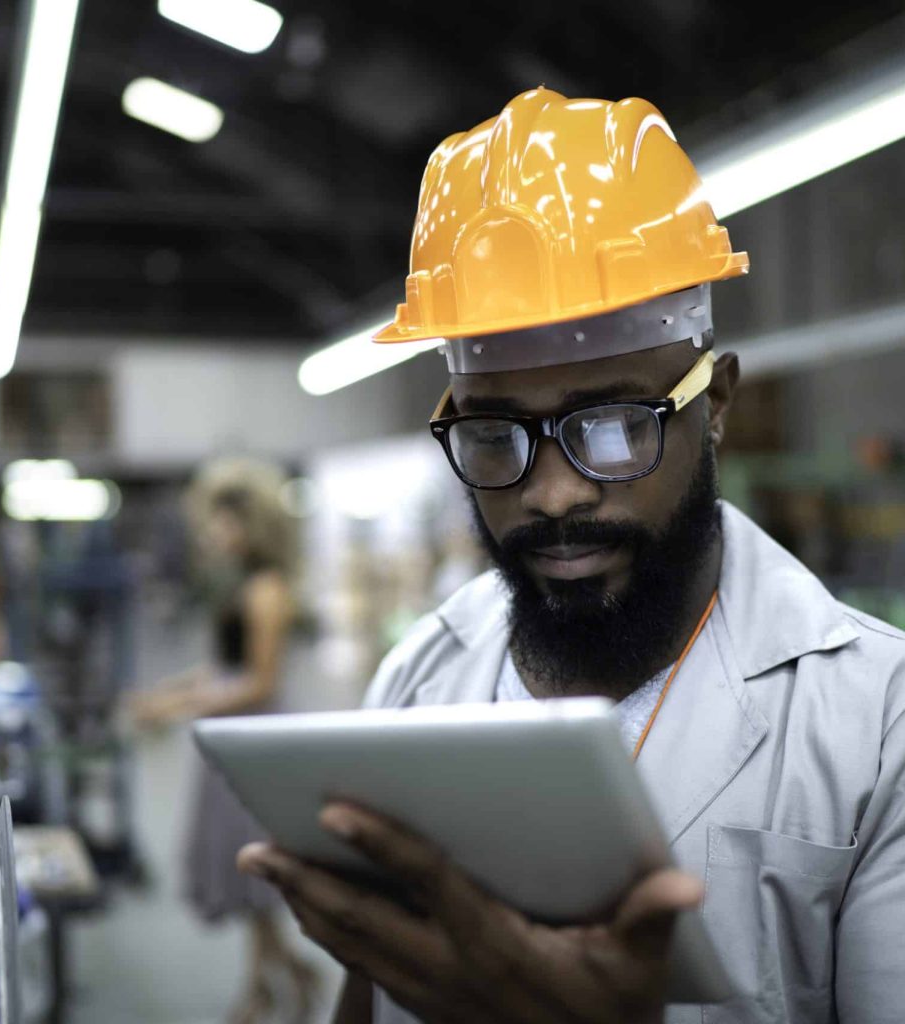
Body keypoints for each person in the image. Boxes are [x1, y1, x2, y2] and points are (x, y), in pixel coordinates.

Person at [237, 89, 905, 1024]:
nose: (553, 495)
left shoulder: (876, 726)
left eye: (615, 426)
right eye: (497, 436)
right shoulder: (422, 679)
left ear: (715, 404)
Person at [127, 458, 319, 1024]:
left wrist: (180, 707)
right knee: (247, 873)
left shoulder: (266, 591)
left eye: (224, 523)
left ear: (251, 525)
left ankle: (260, 992)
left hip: (258, 739)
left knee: (257, 871)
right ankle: (289, 976)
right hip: (234, 736)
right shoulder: (238, 588)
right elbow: (223, 668)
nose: (213, 534)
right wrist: (167, 693)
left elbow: (260, 681)